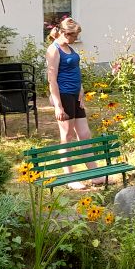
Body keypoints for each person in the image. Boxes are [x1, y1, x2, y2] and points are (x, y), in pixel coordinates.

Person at [46, 18, 96, 189]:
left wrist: (81, 90)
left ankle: (94, 175)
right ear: (66, 34)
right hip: (64, 95)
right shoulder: (54, 50)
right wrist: (58, 105)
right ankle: (70, 178)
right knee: (67, 137)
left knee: (85, 134)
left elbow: (75, 70)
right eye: (75, 36)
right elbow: (51, 79)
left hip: (75, 95)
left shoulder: (69, 47)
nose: (77, 38)